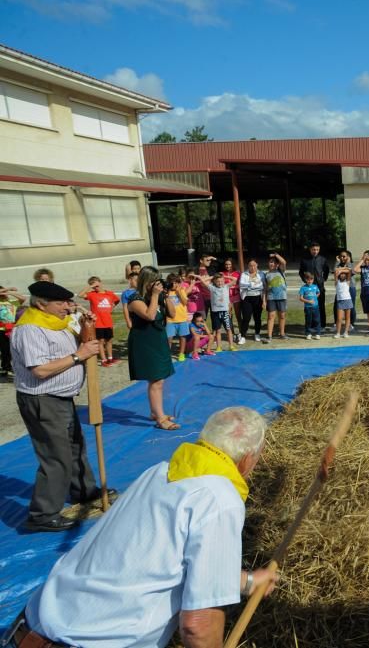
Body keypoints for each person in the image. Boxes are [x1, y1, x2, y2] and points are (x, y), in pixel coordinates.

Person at [16, 407, 278, 647]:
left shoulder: (159, 472)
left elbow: (155, 558)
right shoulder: (220, 499)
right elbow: (198, 627)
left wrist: (249, 581)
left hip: (29, 628)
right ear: (247, 459)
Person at [10, 281, 106, 532]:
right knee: (56, 457)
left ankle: (83, 491)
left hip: (62, 397)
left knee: (75, 447)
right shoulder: (30, 329)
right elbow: (40, 370)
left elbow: (83, 342)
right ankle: (42, 515)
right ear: (42, 304)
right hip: (43, 399)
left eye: (68, 302)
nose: (68, 306)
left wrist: (87, 326)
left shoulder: (58, 323)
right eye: (61, 303)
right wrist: (78, 356)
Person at [128, 267, 178, 430]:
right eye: (154, 281)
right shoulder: (135, 299)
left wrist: (166, 295)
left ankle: (155, 412)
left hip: (158, 340)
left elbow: (172, 314)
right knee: (156, 380)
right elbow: (149, 316)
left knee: (160, 378)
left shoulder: (157, 296)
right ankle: (160, 418)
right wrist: (156, 295)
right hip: (145, 343)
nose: (158, 284)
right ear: (147, 282)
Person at [76, 276, 120, 367]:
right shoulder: (92, 294)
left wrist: (112, 308)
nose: (96, 286)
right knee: (100, 341)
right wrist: (90, 287)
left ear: (100, 282)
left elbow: (116, 300)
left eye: (96, 283)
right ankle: (104, 360)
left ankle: (110, 358)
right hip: (98, 323)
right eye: (93, 284)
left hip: (108, 322)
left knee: (109, 340)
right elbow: (80, 295)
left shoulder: (110, 294)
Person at [299, 242, 331, 330]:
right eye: (313, 249)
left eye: (317, 249)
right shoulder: (304, 260)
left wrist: (323, 279)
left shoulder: (322, 259)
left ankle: (322, 325)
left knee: (321, 305)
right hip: (309, 288)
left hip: (319, 286)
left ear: (319, 250)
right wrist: (305, 281)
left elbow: (327, 270)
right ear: (310, 250)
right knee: (310, 307)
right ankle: (312, 325)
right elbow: (301, 272)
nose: (315, 251)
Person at [0, 284, 26, 379]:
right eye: (3, 292)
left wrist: (10, 292)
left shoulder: (11, 302)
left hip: (12, 329)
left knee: (14, 348)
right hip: (2, 330)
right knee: (5, 350)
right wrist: (9, 288)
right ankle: (5, 368)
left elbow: (23, 299)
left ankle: (12, 366)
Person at [238, 258, 266, 342]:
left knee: (257, 317)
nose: (252, 267)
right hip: (247, 298)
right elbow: (241, 285)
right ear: (248, 266)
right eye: (250, 265)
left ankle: (257, 334)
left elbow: (263, 287)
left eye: (254, 265)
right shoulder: (244, 274)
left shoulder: (261, 274)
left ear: (257, 265)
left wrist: (264, 300)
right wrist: (254, 285)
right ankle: (243, 336)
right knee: (246, 317)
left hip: (258, 298)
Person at [264, 252, 288, 342]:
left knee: (282, 315)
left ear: (277, 264)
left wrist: (275, 255)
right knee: (271, 316)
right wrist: (264, 300)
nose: (272, 264)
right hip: (271, 298)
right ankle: (269, 336)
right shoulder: (266, 274)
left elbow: (284, 262)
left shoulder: (281, 270)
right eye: (270, 262)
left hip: (282, 297)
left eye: (274, 262)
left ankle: (282, 334)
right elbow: (265, 289)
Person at [221, 258, 244, 344]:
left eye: (229, 264)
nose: (228, 266)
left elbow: (238, 283)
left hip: (236, 296)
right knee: (229, 316)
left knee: (238, 315)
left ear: (232, 265)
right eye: (226, 264)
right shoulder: (222, 273)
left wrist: (231, 281)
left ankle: (241, 333)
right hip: (227, 297)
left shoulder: (237, 273)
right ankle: (233, 334)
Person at [336, 249, 358, 330]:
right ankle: (337, 323)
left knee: (351, 306)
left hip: (350, 287)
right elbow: (335, 270)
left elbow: (351, 271)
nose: (342, 258)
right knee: (338, 306)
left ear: (348, 257)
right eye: (341, 256)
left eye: (344, 256)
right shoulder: (338, 264)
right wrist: (337, 263)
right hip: (341, 289)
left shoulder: (351, 264)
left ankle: (351, 323)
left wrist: (345, 266)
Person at [300, 271, 322, 340]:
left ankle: (317, 333)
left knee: (317, 320)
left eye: (311, 279)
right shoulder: (303, 288)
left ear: (313, 279)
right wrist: (308, 301)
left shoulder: (315, 286)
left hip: (315, 307)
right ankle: (308, 333)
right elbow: (301, 298)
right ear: (305, 279)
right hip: (307, 307)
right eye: (308, 279)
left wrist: (315, 297)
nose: (309, 281)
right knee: (308, 320)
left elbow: (318, 293)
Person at [333, 266, 353, 338]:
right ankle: (338, 333)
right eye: (341, 274)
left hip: (348, 300)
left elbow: (350, 270)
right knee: (339, 318)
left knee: (347, 318)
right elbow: (335, 271)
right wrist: (340, 271)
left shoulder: (347, 281)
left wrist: (341, 270)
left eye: (344, 274)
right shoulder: (336, 282)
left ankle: (346, 332)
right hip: (340, 301)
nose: (342, 275)